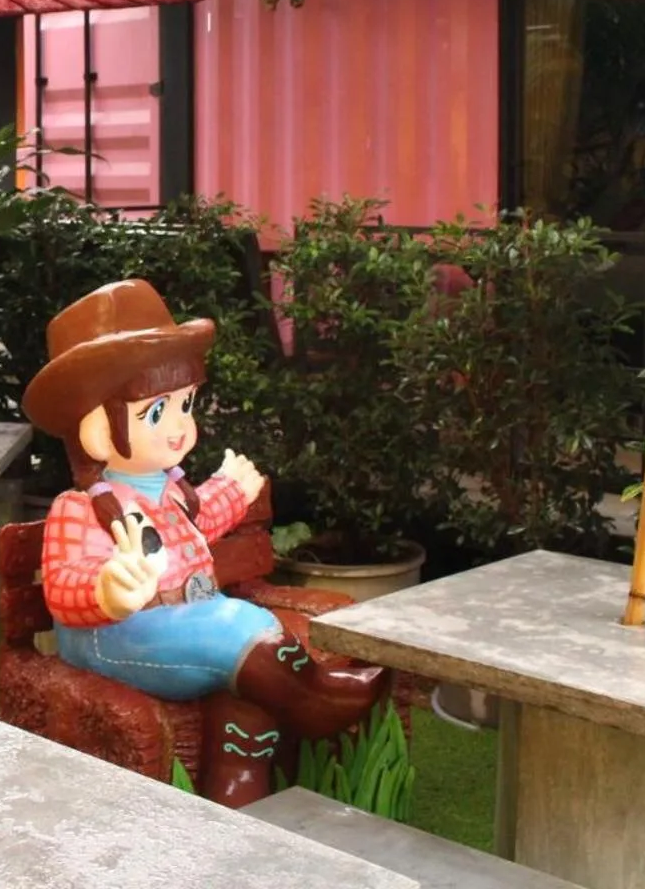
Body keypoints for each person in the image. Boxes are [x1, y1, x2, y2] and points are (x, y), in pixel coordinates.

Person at [23, 279, 383, 806]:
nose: (179, 427)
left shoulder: (172, 493)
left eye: (185, 404)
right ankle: (319, 701)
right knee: (233, 623)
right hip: (114, 634)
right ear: (98, 428)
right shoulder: (79, 508)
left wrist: (232, 490)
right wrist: (106, 589)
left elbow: (201, 523)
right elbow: (63, 582)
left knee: (247, 693)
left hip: (181, 624)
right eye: (156, 412)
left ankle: (238, 793)